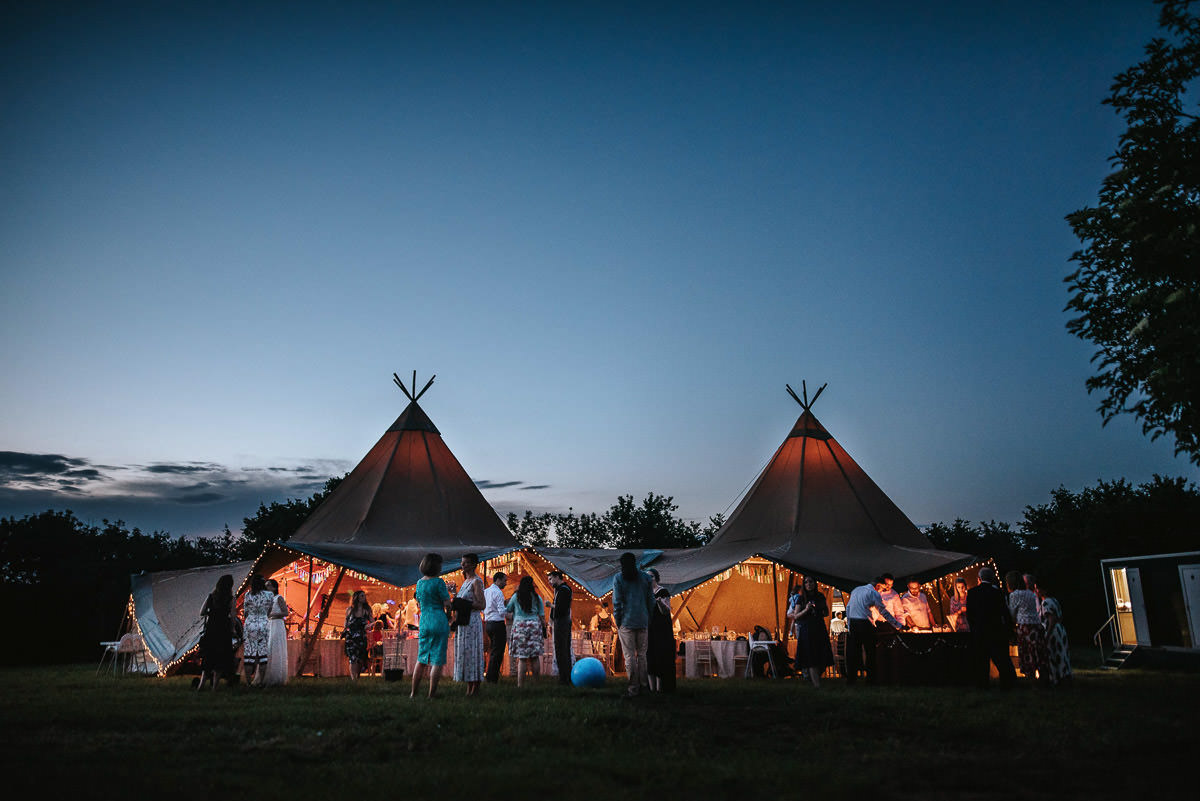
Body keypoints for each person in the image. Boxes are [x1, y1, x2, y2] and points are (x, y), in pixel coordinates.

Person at [845, 577, 905, 685]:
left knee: (854, 653)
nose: (882, 591)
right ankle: (871, 680)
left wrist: (849, 626)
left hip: (853, 623)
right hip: (865, 624)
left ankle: (851, 679)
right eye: (882, 588)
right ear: (878, 586)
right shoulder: (874, 593)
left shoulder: (856, 590)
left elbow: (848, 608)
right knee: (870, 652)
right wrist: (898, 625)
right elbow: (883, 611)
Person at [612, 552, 655, 698]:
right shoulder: (646, 578)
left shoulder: (618, 578)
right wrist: (648, 618)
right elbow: (651, 601)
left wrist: (618, 621)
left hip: (626, 621)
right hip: (642, 620)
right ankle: (644, 686)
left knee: (629, 657)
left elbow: (617, 602)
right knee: (642, 656)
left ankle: (633, 689)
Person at [966, 567, 1016, 688]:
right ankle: (1007, 684)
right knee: (1001, 659)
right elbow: (1005, 612)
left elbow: (969, 615)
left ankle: (982, 685)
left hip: (980, 631)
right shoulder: (998, 593)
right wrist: (1010, 630)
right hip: (996, 630)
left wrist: (974, 628)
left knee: (982, 660)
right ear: (992, 578)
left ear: (979, 579)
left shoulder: (972, 593)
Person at [410, 553, 451, 698]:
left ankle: (413, 693)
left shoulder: (419, 583)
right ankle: (431, 694)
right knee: (437, 660)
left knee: (421, 659)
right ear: (436, 566)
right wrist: (449, 614)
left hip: (425, 621)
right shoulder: (439, 582)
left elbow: (420, 603)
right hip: (438, 619)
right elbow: (447, 603)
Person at [790, 575, 834, 687]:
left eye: (811, 582)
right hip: (807, 629)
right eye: (806, 582)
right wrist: (806, 609)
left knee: (822, 654)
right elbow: (796, 616)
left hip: (819, 628)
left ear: (815, 583)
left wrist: (821, 609)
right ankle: (817, 685)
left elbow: (827, 613)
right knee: (811, 657)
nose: (808, 584)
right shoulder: (801, 598)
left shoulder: (820, 596)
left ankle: (812, 678)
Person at [452, 553, 486, 697]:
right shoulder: (466, 581)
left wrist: (465, 604)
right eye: (462, 563)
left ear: (473, 564)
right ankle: (468, 686)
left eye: (465, 563)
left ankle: (475, 687)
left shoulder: (476, 582)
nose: (462, 565)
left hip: (472, 621)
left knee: (473, 653)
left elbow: (482, 604)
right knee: (465, 654)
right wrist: (454, 595)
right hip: (463, 620)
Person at [197, 574, 236, 691]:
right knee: (220, 657)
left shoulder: (211, 596)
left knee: (208, 656)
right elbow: (233, 615)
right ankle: (214, 686)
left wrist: (211, 612)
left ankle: (201, 684)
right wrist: (232, 628)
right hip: (223, 629)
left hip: (211, 628)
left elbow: (201, 612)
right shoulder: (231, 598)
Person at [1006, 571, 1047, 681]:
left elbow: (1012, 614)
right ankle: (1044, 680)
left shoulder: (1014, 595)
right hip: (1036, 626)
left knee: (1028, 655)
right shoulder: (1030, 593)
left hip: (1025, 628)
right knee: (1037, 653)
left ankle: (1032, 681)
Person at [505, 576, 545, 688]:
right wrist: (544, 628)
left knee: (522, 658)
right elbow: (542, 615)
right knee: (535, 657)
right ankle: (537, 684)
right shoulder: (537, 598)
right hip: (534, 626)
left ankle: (520, 685)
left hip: (520, 627)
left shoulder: (516, 597)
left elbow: (508, 609)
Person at [646, 568, 676, 693]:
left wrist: (659, 602)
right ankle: (651, 688)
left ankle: (660, 688)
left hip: (662, 629)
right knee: (650, 656)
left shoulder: (662, 591)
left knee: (660, 656)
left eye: (651, 576)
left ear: (656, 578)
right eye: (647, 577)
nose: (649, 579)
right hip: (649, 627)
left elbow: (666, 610)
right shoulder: (645, 593)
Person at [1038, 579, 1072, 687]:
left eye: (1037, 588)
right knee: (1062, 655)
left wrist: (1047, 635)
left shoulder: (1046, 602)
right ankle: (1064, 677)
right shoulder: (1054, 600)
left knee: (1053, 654)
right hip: (1060, 629)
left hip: (1052, 631)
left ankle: (1056, 679)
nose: (1036, 591)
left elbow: (1051, 618)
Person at [242, 574, 272, 688]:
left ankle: (249, 682)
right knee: (263, 654)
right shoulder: (269, 595)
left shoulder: (248, 595)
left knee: (249, 654)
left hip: (250, 623)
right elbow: (269, 609)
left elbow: (245, 612)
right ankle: (261, 682)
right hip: (263, 623)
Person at [546, 570, 573, 684]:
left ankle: (564, 678)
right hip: (559, 622)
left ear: (557, 577)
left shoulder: (564, 590)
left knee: (562, 649)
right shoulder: (559, 590)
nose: (550, 582)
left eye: (551, 579)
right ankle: (564, 676)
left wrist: (549, 605)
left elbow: (562, 607)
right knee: (561, 649)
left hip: (562, 623)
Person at [262, 578, 290, 686]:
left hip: (277, 624)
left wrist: (272, 615)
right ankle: (266, 676)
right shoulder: (266, 599)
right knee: (268, 648)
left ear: (274, 587)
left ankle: (276, 676)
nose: (267, 587)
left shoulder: (279, 598)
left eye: (268, 585)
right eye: (266, 586)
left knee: (275, 648)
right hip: (269, 624)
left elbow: (285, 612)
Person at [483, 571, 509, 684]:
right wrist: (510, 609)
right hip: (498, 623)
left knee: (492, 650)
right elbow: (501, 611)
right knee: (498, 651)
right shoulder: (498, 593)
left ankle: (490, 675)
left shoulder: (486, 591)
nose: (506, 583)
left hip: (488, 623)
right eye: (504, 580)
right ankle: (492, 678)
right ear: (498, 580)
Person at [343, 589, 372, 681]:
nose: (364, 598)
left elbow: (372, 621)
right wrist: (345, 630)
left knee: (360, 659)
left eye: (364, 596)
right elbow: (346, 623)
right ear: (356, 598)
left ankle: (357, 677)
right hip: (351, 637)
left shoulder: (367, 610)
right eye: (362, 596)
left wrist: (371, 625)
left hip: (361, 636)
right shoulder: (349, 610)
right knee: (352, 658)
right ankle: (353, 679)